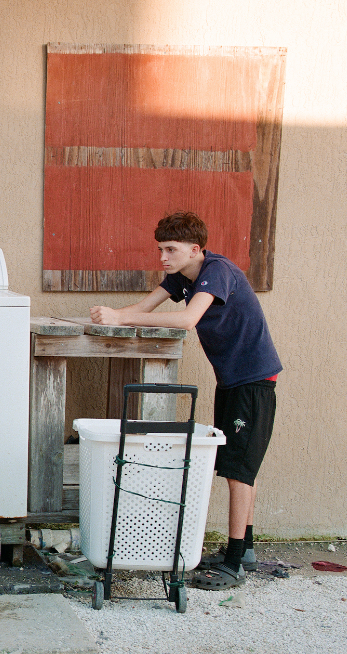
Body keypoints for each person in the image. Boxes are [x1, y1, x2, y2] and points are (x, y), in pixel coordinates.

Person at [89, 211, 281, 590]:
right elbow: (145, 308)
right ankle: (246, 552)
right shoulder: (182, 277)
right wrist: (110, 316)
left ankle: (233, 563)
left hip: (254, 382)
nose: (163, 257)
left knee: (239, 471)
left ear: (195, 249)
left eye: (171, 249)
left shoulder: (217, 270)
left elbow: (190, 319)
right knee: (234, 464)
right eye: (160, 249)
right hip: (232, 381)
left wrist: (121, 320)